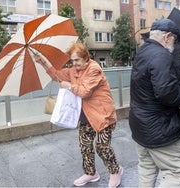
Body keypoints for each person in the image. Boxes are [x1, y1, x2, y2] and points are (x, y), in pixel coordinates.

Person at [35, 42, 123, 188]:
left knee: (102, 147)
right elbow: (56, 75)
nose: (74, 63)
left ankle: (115, 171)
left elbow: (84, 91)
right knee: (85, 146)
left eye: (77, 60)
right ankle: (91, 173)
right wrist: (42, 62)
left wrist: (69, 86)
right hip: (85, 115)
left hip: (103, 115)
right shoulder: (73, 70)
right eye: (72, 60)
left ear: (85, 57)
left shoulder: (94, 69)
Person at [129, 18, 180, 187]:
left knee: (147, 167)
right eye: (174, 40)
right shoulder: (162, 55)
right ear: (167, 37)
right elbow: (168, 94)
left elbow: (157, 77)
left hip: (140, 125)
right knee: (177, 170)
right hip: (158, 129)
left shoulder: (144, 51)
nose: (174, 46)